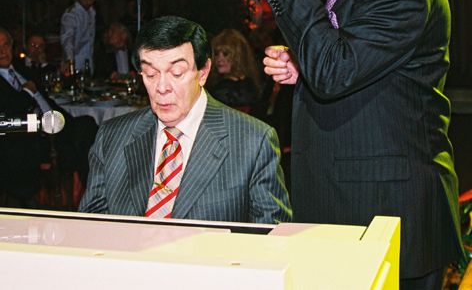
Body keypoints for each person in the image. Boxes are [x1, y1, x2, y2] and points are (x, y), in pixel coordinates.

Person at [262, 0, 464, 288]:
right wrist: (303, 66)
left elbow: (334, 72)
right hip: (351, 199)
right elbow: (352, 61)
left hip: (385, 208)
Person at [79, 15, 291, 224]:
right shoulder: (113, 136)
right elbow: (90, 226)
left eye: (177, 72)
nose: (162, 87)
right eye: (150, 74)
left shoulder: (253, 141)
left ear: (203, 72)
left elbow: (271, 235)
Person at [0, 27, 98, 207]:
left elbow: (46, 100)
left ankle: (93, 190)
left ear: (12, 47)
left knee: (88, 126)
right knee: (81, 141)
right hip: (26, 137)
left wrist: (66, 120)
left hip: (53, 124)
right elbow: (8, 113)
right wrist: (27, 93)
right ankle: (92, 194)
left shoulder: (23, 71)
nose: (2, 51)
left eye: (5, 45)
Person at [207, 28, 261, 114]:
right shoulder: (250, 84)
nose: (219, 59)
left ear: (238, 56)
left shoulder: (223, 90)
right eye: (216, 53)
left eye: (226, 54)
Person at [60, 0, 99, 74]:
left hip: (89, 62)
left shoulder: (92, 11)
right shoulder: (71, 15)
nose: (88, 3)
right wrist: (70, 61)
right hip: (75, 63)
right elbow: (67, 40)